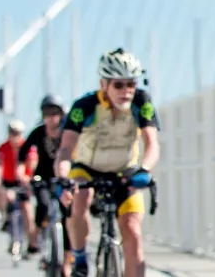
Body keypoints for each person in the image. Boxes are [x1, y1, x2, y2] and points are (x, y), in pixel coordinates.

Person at [54, 48, 160, 277]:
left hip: (125, 170)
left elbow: (152, 142)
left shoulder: (141, 102)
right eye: (119, 85)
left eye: (131, 84)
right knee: (80, 197)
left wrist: (145, 170)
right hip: (87, 168)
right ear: (104, 85)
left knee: (132, 231)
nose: (127, 91)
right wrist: (63, 177)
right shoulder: (84, 106)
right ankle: (80, 258)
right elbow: (65, 149)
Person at [17, 93, 71, 272]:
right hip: (43, 177)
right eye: (47, 113)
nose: (50, 117)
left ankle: (67, 260)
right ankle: (39, 237)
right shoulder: (38, 132)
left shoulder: (68, 131)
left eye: (54, 113)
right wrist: (23, 174)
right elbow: (22, 153)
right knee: (44, 206)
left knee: (68, 216)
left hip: (65, 178)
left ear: (61, 114)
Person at [0, 119, 32, 246]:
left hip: (23, 182)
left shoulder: (26, 146)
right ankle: (7, 219)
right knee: (7, 197)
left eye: (17, 133)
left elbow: (31, 163)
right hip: (8, 181)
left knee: (27, 210)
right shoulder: (3, 147)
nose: (14, 136)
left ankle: (30, 240)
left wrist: (27, 177)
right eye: (12, 133)